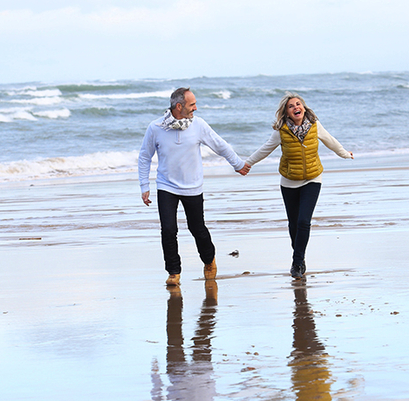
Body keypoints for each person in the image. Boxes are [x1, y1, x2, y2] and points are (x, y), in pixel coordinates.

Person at [139, 87, 249, 287]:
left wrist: (238, 164)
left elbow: (220, 145)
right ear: (178, 106)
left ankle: (209, 260)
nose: (196, 108)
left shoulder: (198, 125)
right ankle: (174, 272)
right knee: (168, 230)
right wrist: (144, 185)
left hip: (193, 187)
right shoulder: (155, 128)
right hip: (166, 186)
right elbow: (145, 156)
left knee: (197, 228)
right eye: (192, 104)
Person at [243, 93, 353, 279]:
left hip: (312, 179)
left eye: (298, 104)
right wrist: (247, 163)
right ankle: (300, 258)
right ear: (286, 112)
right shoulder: (281, 131)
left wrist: (344, 154)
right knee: (294, 225)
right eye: (291, 106)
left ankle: (297, 262)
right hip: (289, 182)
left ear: (303, 108)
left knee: (303, 222)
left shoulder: (315, 126)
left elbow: (331, 141)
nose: (296, 107)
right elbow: (265, 149)